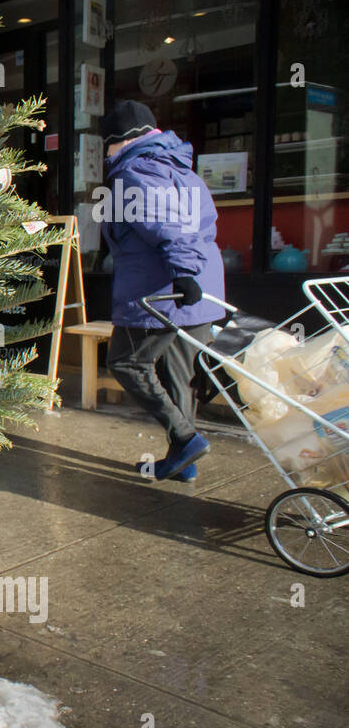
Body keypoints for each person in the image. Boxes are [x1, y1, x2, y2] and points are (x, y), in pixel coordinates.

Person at [100, 99, 225, 482]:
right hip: (198, 290)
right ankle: (183, 463)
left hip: (161, 293)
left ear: (120, 139)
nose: (105, 153)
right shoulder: (183, 170)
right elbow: (205, 226)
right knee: (179, 375)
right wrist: (190, 275)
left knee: (126, 362)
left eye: (106, 144)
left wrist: (182, 272)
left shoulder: (134, 171)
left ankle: (186, 438)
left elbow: (167, 224)